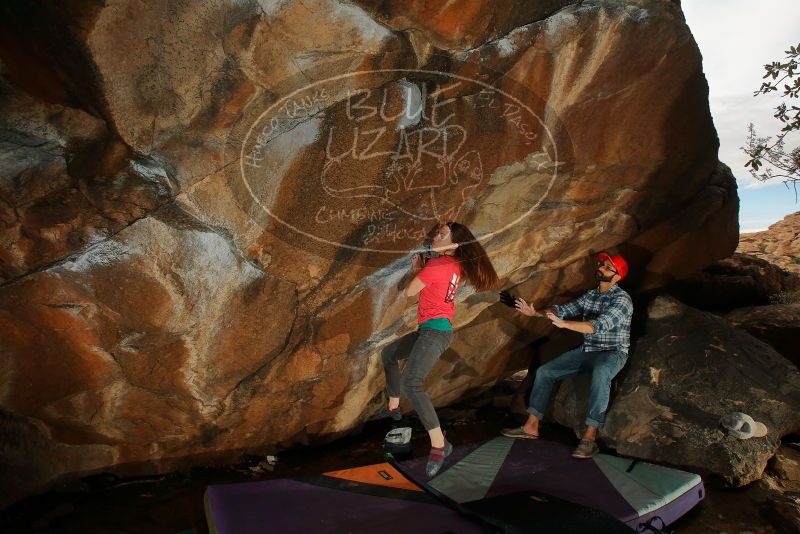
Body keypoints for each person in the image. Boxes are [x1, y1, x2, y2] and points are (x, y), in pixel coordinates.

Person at [382, 222, 499, 476]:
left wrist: (417, 270)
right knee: (389, 354)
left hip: (435, 332)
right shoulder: (454, 265)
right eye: (437, 231)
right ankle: (393, 405)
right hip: (431, 331)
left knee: (412, 383)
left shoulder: (438, 264)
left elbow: (410, 293)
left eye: (442, 234)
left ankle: (440, 445)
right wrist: (429, 262)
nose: (436, 235)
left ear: (454, 245)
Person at [501, 252, 633, 459]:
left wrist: (566, 325)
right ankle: (531, 426)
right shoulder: (591, 295)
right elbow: (562, 309)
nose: (601, 268)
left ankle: (590, 437)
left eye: (608, 268)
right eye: (601, 265)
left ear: (617, 277)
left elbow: (597, 326)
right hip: (588, 351)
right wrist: (535, 313)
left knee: (601, 373)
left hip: (612, 353)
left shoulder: (622, 300)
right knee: (545, 372)